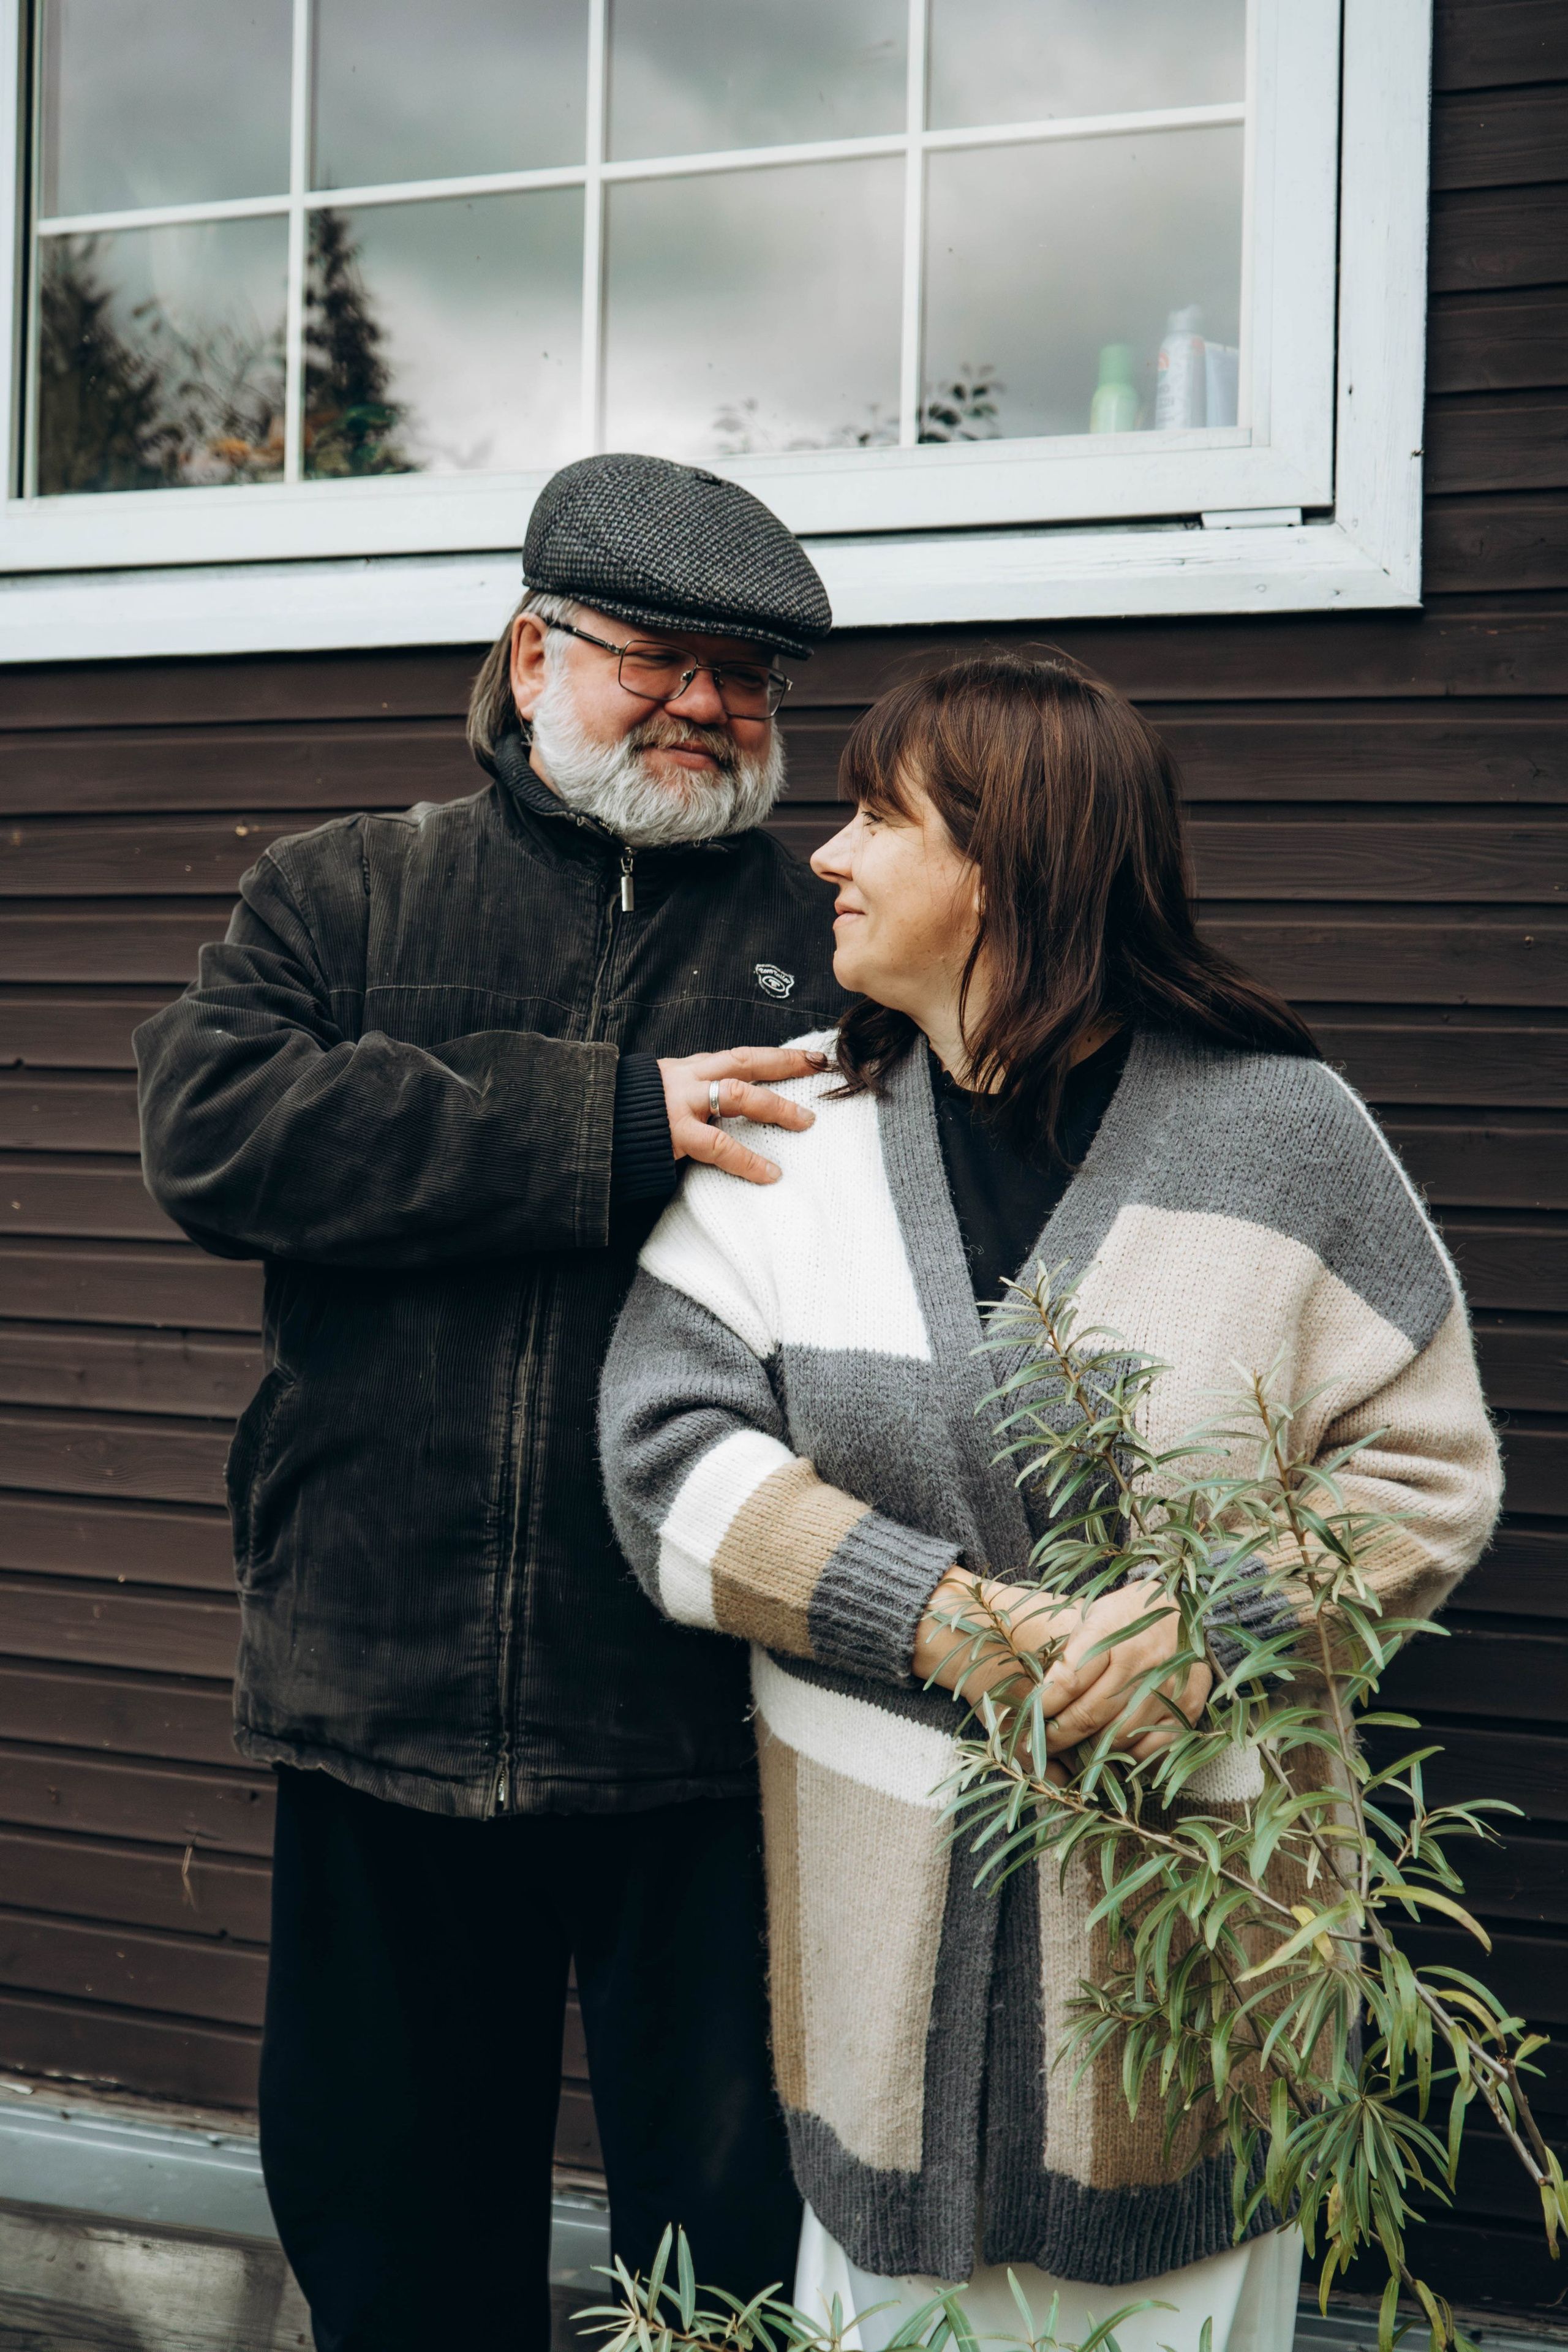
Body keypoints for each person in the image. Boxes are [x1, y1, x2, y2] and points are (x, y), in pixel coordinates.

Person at [598, 652, 1502, 2350]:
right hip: (879, 1992)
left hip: (1192, 1984)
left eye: (879, 818)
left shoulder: (1281, 1135)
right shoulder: (798, 1129)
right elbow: (666, 1465)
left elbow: (1426, 1474)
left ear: (1010, 862)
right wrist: (949, 1621)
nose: (826, 856)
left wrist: (1212, 1623)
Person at [134, 454, 849, 2351]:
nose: (706, 705)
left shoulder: (825, 940)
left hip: (707, 1715)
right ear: (533, 657)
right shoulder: (344, 891)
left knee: (732, 2254)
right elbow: (212, 1134)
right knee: (394, 2236)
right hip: (379, 1682)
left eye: (747, 676)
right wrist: (609, 1120)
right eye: (657, 659)